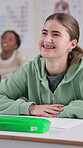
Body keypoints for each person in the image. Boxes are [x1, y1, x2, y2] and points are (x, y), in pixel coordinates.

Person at [0, 13, 83, 118]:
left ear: (72, 44)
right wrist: (31, 108)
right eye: (44, 33)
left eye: (56, 34)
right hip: (41, 132)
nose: (47, 39)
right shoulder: (30, 70)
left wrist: (62, 111)